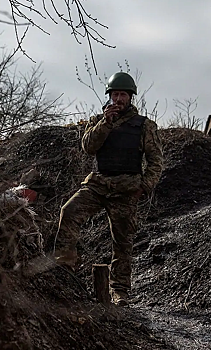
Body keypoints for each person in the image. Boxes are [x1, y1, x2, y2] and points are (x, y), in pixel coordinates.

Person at [54, 72, 164, 306]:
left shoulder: (144, 126)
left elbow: (156, 161)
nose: (118, 99)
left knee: (122, 241)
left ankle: (119, 290)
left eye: (123, 94)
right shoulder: (98, 121)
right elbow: (88, 147)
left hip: (126, 189)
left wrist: (144, 186)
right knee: (69, 211)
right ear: (110, 96)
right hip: (98, 184)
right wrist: (105, 123)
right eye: (115, 94)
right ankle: (64, 269)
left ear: (130, 97)